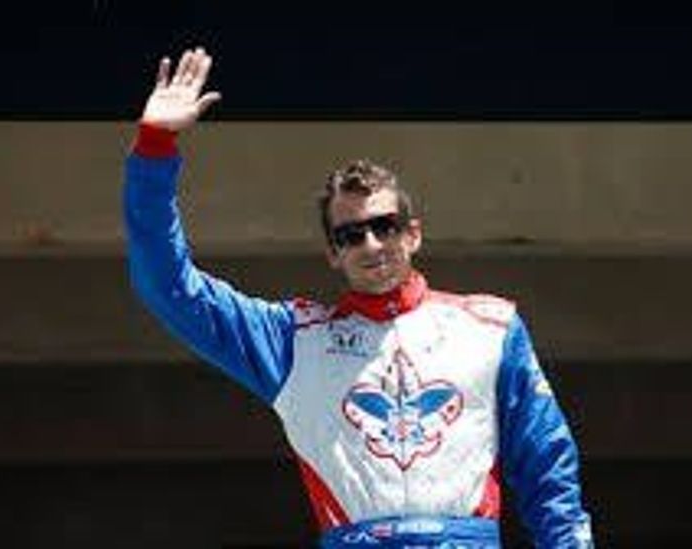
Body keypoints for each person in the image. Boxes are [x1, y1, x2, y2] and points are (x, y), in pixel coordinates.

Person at [123, 46, 594, 548]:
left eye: (384, 226)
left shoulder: (491, 330)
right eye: (350, 235)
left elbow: (548, 469)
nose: (371, 244)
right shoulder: (292, 341)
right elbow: (170, 287)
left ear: (413, 234)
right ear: (332, 253)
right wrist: (155, 148)